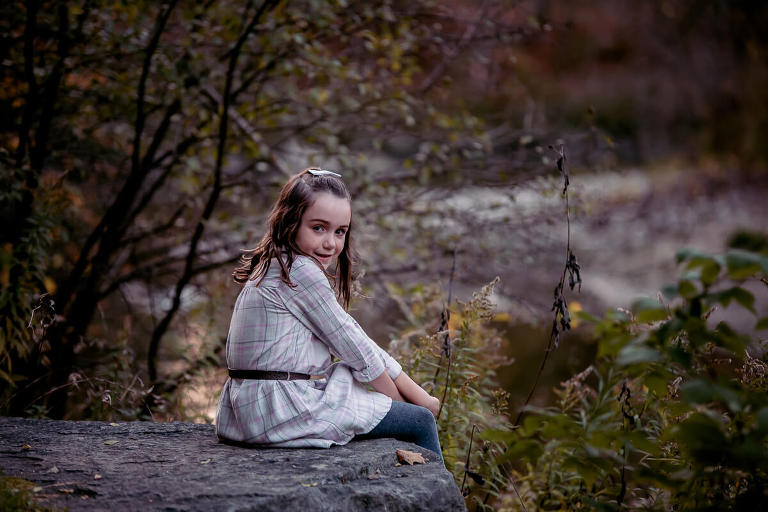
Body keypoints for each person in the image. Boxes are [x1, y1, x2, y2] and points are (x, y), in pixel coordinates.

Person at [215, 167, 442, 461]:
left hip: (247, 409)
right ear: (291, 222)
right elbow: (355, 349)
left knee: (353, 377)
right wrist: (405, 404)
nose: (330, 243)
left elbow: (352, 334)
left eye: (340, 232)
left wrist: (417, 393)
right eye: (318, 227)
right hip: (277, 409)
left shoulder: (275, 263)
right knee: (419, 422)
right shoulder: (300, 271)